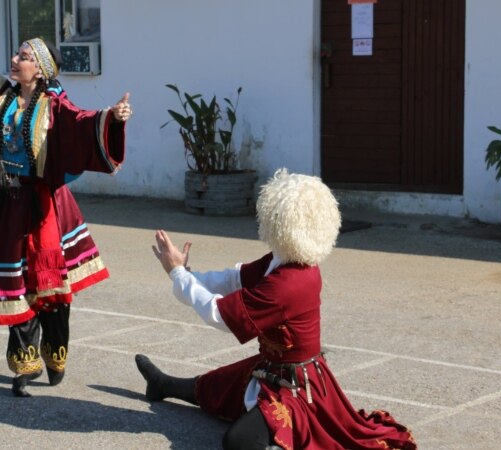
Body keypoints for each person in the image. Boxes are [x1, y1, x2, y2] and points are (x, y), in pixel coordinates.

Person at [137, 169, 417, 450]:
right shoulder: (284, 259)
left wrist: (177, 274)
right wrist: (186, 272)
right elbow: (233, 279)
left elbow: (219, 314)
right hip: (270, 367)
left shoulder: (289, 283)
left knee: (239, 441)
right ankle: (163, 384)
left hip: (297, 389)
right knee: (215, 386)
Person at [0, 0, 132, 398]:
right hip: (9, 201)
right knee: (15, 282)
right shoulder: (1, 97)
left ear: (41, 69)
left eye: (24, 56)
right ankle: (23, 364)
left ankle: (55, 349)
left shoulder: (55, 106)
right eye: (17, 54)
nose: (15, 59)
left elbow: (84, 124)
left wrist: (113, 117)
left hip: (45, 205)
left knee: (50, 285)